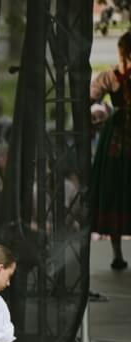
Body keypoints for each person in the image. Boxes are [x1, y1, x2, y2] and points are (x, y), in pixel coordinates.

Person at [89, 31, 131, 270]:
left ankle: (117, 253)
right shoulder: (112, 76)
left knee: (115, 187)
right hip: (119, 138)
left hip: (117, 139)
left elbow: (90, 97)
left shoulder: (111, 77)